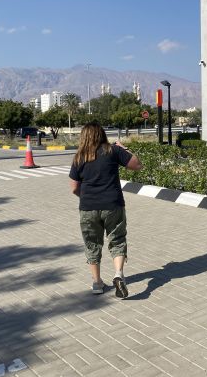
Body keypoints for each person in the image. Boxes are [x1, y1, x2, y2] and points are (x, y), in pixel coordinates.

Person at [69, 122, 142, 298]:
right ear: (102, 134)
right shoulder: (113, 151)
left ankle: (97, 283)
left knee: (92, 243)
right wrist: (124, 149)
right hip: (113, 205)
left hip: (88, 207)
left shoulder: (79, 157)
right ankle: (118, 274)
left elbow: (73, 188)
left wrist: (86, 198)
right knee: (117, 240)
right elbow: (137, 165)